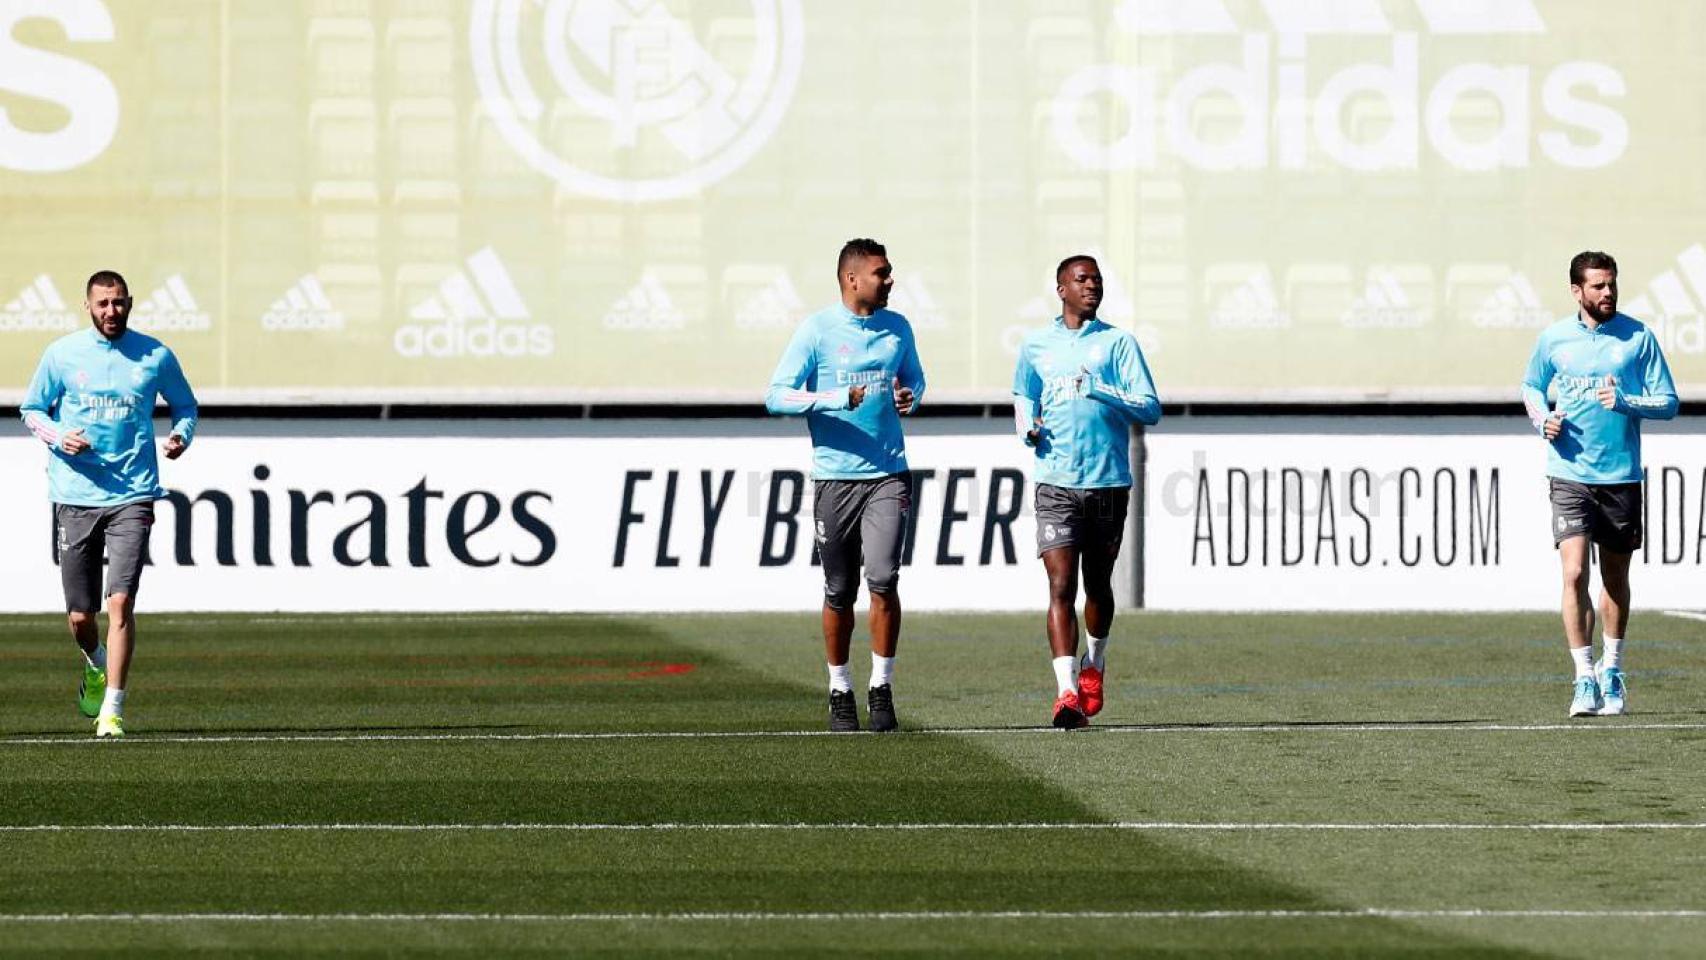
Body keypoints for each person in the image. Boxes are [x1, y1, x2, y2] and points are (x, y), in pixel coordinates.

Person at [19, 270, 199, 738]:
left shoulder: (154, 354)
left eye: (118, 303)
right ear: (88, 306)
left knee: (120, 602)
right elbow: (31, 410)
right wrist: (60, 436)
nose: (111, 311)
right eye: (102, 304)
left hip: (134, 494)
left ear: (130, 303)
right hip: (75, 495)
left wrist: (182, 435)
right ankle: (95, 663)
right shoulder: (62, 355)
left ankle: (112, 711)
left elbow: (186, 405)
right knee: (81, 618)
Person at [765, 238, 925, 732]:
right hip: (835, 477)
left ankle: (881, 688)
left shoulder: (898, 328)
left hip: (887, 474)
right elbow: (776, 396)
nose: (890, 280)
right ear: (852, 279)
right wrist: (834, 397)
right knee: (839, 588)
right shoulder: (817, 330)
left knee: (883, 578)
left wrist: (908, 396)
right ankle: (840, 689)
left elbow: (916, 381)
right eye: (882, 272)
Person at [1522, 251, 1676, 718]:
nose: (1608, 293)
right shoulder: (1554, 339)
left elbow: (1668, 402)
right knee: (1572, 573)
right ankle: (1583, 677)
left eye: (1612, 284)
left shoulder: (1638, 337)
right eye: (1598, 286)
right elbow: (1531, 386)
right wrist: (1542, 419)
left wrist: (1628, 401)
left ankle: (1613, 670)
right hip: (1569, 472)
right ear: (1576, 291)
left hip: (1621, 476)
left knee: (1614, 578)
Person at [1013, 255, 1160, 728]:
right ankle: (1066, 692)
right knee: (1060, 585)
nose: (1092, 286)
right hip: (1055, 481)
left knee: (1098, 585)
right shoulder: (1037, 345)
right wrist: (1026, 428)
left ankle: (1094, 662)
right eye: (1082, 279)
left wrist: (1100, 391)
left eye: (1097, 279)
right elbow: (1023, 395)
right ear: (1062, 289)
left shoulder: (1118, 343)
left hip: (1107, 482)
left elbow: (1150, 407)